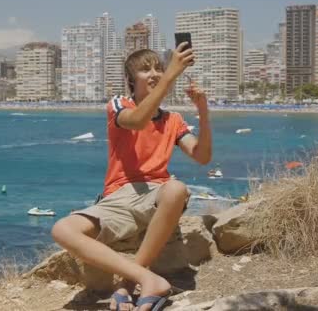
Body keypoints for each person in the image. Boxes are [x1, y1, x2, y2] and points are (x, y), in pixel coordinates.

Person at [51, 43, 212, 311]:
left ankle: (127, 283)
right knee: (62, 229)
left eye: (159, 68)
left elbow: (202, 156)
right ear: (130, 80)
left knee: (175, 188)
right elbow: (137, 120)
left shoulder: (173, 120)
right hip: (120, 196)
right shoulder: (119, 104)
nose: (155, 73)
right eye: (145, 69)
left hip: (157, 196)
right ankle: (147, 278)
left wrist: (204, 110)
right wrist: (171, 74)